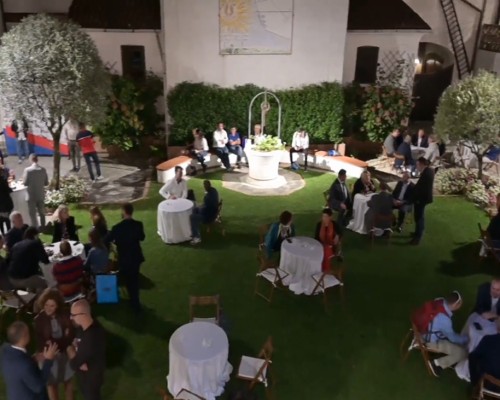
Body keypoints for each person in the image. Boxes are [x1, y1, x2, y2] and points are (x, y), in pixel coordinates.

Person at [1, 321, 59, 400]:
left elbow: (17, 366)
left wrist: (33, 359)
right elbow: (38, 386)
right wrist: (49, 360)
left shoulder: (5, 350)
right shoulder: (24, 365)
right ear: (24, 337)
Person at [34, 289, 75, 400]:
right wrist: (62, 340)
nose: (48, 308)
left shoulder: (65, 315)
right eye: (46, 305)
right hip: (49, 355)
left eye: (52, 306)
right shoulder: (39, 320)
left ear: (57, 306)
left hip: (63, 352)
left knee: (68, 381)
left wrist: (55, 342)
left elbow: (70, 335)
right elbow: (41, 343)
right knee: (51, 383)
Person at [107, 203, 145, 312]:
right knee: (134, 280)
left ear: (123, 212)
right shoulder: (138, 224)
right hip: (136, 256)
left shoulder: (117, 228)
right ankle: (135, 302)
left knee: (128, 280)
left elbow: (108, 239)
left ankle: (133, 302)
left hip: (124, 258)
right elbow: (142, 237)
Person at [66, 300, 106, 400]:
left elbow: (74, 364)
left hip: (90, 379)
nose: (71, 318)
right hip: (90, 373)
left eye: (73, 315)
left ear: (83, 315)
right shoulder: (86, 326)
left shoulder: (90, 339)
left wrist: (70, 349)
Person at [425, 291, 468, 376]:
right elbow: (453, 338)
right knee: (462, 353)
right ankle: (436, 364)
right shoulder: (445, 320)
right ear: (456, 305)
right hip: (430, 341)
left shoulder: (439, 300)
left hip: (423, 331)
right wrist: (466, 339)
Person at [469, 318, 500, 391]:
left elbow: (472, 357)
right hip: (486, 384)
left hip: (483, 382)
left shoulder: (489, 339)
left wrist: (474, 381)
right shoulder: (489, 339)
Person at [410, 157, 434, 245]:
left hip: (421, 199)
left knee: (419, 217)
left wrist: (412, 185)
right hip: (423, 198)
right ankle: (418, 232)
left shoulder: (426, 173)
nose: (417, 167)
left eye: (417, 165)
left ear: (421, 164)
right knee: (419, 216)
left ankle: (418, 237)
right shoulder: (428, 171)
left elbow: (420, 188)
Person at [23, 154, 48, 229]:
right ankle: (43, 226)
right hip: (40, 194)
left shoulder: (27, 170)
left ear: (31, 160)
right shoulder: (43, 170)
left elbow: (25, 183)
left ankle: (35, 228)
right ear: (37, 159)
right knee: (42, 212)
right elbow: (46, 183)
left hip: (31, 195)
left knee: (33, 214)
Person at [190, 180, 219, 245]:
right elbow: (207, 206)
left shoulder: (208, 197)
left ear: (206, 187)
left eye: (205, 186)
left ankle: (197, 238)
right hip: (213, 212)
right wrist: (200, 207)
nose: (204, 187)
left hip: (209, 217)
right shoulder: (214, 190)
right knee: (195, 209)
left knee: (192, 217)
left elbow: (204, 210)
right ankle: (195, 229)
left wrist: (200, 208)